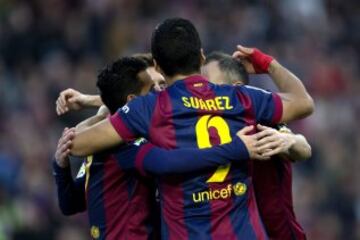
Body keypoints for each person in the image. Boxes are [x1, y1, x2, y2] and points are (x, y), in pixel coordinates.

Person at [65, 18, 314, 239]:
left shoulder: (148, 109)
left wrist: (100, 109)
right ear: (201, 57)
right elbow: (303, 103)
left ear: (159, 68)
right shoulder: (241, 98)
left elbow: (77, 144)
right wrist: (267, 63)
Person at [53, 56, 271, 240]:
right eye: (153, 88)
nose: (160, 93)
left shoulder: (105, 136)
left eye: (162, 86)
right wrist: (60, 165)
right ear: (132, 100)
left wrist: (94, 103)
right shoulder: (122, 145)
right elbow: (71, 203)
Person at [202, 51, 310, 239]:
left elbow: (303, 148)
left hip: (277, 234)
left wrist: (289, 140)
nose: (202, 92)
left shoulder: (257, 120)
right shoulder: (199, 128)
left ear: (238, 90)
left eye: (209, 85)